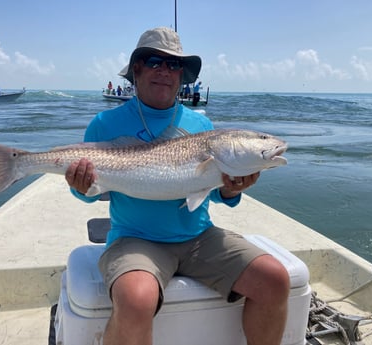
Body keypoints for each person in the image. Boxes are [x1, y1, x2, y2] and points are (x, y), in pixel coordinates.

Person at [65, 27, 289, 345]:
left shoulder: (202, 126)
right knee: (136, 298)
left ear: (182, 76)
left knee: (275, 279)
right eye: (155, 61)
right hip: (135, 239)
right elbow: (90, 193)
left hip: (199, 237)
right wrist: (80, 185)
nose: (165, 72)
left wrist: (231, 189)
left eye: (174, 65)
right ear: (137, 70)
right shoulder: (105, 124)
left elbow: (211, 190)